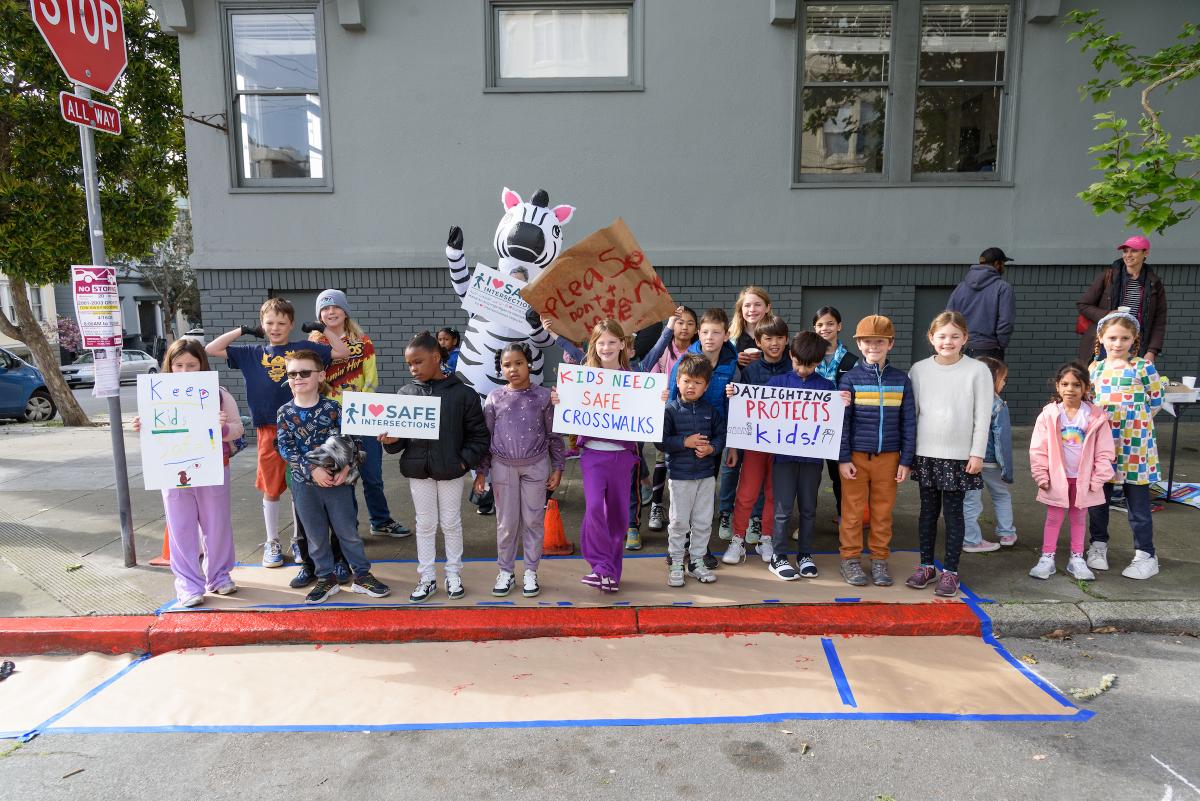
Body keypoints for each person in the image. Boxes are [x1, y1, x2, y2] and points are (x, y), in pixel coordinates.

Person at [205, 298, 348, 569]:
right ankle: (272, 541)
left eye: (282, 323)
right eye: (269, 323)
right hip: (268, 428)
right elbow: (212, 348)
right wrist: (245, 330)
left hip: (302, 426)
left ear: (291, 325)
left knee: (300, 486)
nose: (276, 328)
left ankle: (298, 538)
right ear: (262, 324)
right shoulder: (250, 352)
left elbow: (341, 351)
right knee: (271, 488)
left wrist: (321, 327)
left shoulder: (303, 348)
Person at [131, 339, 242, 608]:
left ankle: (218, 576)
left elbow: (238, 428)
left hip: (213, 468)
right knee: (180, 527)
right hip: (171, 470)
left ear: (201, 365)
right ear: (168, 366)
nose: (184, 370)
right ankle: (188, 585)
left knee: (216, 524)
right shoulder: (156, 395)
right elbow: (154, 431)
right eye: (178, 365)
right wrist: (140, 426)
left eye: (191, 365)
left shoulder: (219, 394)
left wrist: (224, 429)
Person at [381, 332, 490, 603]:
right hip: (419, 472)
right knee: (425, 524)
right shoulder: (405, 393)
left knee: (451, 523)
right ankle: (427, 577)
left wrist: (463, 462)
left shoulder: (464, 394)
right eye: (409, 364)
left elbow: (479, 436)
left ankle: (454, 575)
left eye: (418, 362)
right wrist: (392, 441)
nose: (413, 368)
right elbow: (398, 442)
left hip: (451, 471)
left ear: (436, 357)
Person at [275, 351, 391, 605]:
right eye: (292, 374)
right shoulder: (284, 412)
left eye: (305, 372)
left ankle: (362, 575)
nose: (298, 378)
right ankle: (325, 578)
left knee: (347, 531)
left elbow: (353, 442)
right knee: (315, 534)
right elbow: (285, 448)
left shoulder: (334, 408)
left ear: (321, 376)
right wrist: (311, 469)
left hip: (338, 485)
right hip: (305, 485)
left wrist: (345, 470)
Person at [551, 319, 654, 593]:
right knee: (595, 508)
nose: (606, 347)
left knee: (619, 518)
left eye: (611, 341)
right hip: (594, 455)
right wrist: (559, 402)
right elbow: (569, 413)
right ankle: (600, 566)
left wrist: (660, 398)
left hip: (623, 457)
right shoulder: (583, 377)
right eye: (601, 342)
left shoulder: (636, 377)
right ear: (593, 346)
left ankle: (611, 574)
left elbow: (648, 410)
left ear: (622, 344)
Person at [308, 290, 411, 548]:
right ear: (319, 315)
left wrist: (361, 402)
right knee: (345, 476)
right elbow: (315, 380)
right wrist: (334, 400)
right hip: (332, 417)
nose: (331, 312)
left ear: (345, 311)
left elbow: (371, 378)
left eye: (335, 308)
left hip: (364, 414)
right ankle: (348, 525)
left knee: (372, 473)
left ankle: (381, 520)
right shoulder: (315, 344)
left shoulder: (363, 342)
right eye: (325, 309)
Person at [906, 311, 994, 598]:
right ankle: (926, 565)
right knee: (928, 513)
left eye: (955, 336)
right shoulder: (919, 370)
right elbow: (912, 414)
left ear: (965, 339)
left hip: (959, 456)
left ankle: (951, 571)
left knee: (954, 514)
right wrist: (909, 454)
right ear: (931, 338)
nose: (948, 341)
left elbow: (983, 416)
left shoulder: (977, 371)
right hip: (926, 454)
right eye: (942, 336)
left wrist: (977, 453)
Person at [475, 343, 565, 599]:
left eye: (518, 363)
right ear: (500, 368)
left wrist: (558, 466)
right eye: (506, 365)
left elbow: (554, 435)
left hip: (536, 465)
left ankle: (530, 571)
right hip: (502, 466)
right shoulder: (494, 398)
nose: (513, 369)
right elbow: (486, 436)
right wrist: (482, 471)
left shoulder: (544, 397)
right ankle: (505, 571)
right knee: (506, 522)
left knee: (534, 520)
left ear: (530, 365)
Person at [1084, 310, 1165, 580]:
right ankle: (1098, 545)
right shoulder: (1095, 369)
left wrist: (1134, 423)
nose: (1118, 344)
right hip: (1104, 444)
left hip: (1136, 447)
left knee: (1137, 502)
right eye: (1112, 338)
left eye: (1124, 338)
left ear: (1134, 340)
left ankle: (1146, 554)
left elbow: (1155, 401)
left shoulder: (1142, 367)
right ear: (1101, 338)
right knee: (1100, 499)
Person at [837, 315, 915, 588]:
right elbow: (843, 423)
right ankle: (850, 558)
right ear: (859, 344)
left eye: (879, 342)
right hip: (856, 458)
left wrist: (906, 460)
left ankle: (880, 559)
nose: (874, 347)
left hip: (890, 458)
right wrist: (843, 458)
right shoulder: (850, 380)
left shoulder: (902, 380)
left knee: (882, 512)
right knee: (853, 511)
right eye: (868, 342)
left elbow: (909, 421)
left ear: (890, 344)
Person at [1029, 364, 1115, 581]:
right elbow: (1038, 448)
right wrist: (1041, 475)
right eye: (1065, 384)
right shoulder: (1049, 415)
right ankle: (1047, 558)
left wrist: (1097, 480)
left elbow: (1105, 451)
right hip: (1057, 479)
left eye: (1077, 384)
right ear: (1057, 386)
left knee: (1079, 519)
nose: (1070, 389)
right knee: (1053, 518)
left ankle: (1077, 558)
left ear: (1086, 387)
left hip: (1083, 480)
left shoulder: (1095, 417)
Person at [722, 314, 792, 565]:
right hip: (754, 444)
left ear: (787, 340)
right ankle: (738, 539)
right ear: (759, 342)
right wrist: (733, 445)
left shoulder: (793, 369)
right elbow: (739, 409)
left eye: (779, 338)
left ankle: (766, 538)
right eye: (768, 338)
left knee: (774, 494)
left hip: (783, 446)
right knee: (746, 493)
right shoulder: (749, 371)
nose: (774, 343)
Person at [765, 332, 836, 581]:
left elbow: (834, 421)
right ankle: (778, 556)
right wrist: (735, 394)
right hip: (783, 458)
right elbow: (756, 411)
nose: (804, 370)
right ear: (791, 355)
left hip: (812, 460)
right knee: (783, 509)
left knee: (809, 508)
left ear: (820, 361)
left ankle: (805, 554)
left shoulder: (827, 388)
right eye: (798, 363)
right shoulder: (777, 383)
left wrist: (843, 404)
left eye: (811, 365)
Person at [660, 353, 723, 587]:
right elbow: (660, 441)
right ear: (677, 381)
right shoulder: (670, 410)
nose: (691, 386)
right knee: (678, 522)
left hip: (706, 476)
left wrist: (712, 449)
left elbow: (720, 436)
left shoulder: (710, 411)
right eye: (686, 380)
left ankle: (696, 561)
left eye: (697, 383)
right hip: (680, 477)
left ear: (705, 387)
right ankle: (676, 561)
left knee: (703, 521)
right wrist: (683, 442)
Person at [719, 287, 773, 540]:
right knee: (731, 465)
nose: (752, 310)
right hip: (735, 410)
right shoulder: (731, 338)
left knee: (759, 466)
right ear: (740, 310)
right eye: (747, 306)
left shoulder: (775, 335)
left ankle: (755, 517)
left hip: (765, 413)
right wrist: (736, 364)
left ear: (767, 307)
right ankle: (726, 513)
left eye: (757, 304)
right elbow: (720, 369)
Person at [642, 306, 700, 533]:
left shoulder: (698, 351)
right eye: (679, 322)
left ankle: (684, 510)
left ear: (696, 329)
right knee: (661, 457)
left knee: (684, 461)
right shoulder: (663, 351)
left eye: (689, 323)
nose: (684, 327)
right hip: (665, 413)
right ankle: (657, 504)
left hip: (689, 414)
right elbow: (653, 377)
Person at [1076, 235, 1168, 365]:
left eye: (1134, 251)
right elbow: (1083, 305)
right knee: (1100, 382)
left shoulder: (1153, 283)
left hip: (1135, 344)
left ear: (1145, 253)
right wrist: (1107, 315)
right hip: (1107, 343)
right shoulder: (1109, 276)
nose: (1128, 255)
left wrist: (1152, 351)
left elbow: (1159, 320)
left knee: (1130, 383)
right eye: (1125, 251)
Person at [962, 357, 1017, 553]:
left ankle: (970, 539)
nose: (1004, 383)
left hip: (968, 461)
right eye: (1003, 379)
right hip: (992, 462)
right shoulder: (998, 404)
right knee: (1001, 495)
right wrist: (1007, 469)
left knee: (970, 500)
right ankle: (1006, 533)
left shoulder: (964, 401)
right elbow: (1002, 438)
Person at [813, 306, 859, 523]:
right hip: (810, 427)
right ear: (815, 328)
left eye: (830, 323)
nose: (825, 328)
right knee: (809, 477)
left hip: (839, 429)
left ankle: (844, 519)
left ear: (839, 326)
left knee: (839, 476)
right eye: (820, 324)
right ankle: (806, 522)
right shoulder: (807, 357)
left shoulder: (852, 361)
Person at [946, 246, 1016, 360]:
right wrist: (1001, 345)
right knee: (990, 379)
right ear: (997, 264)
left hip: (961, 348)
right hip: (989, 349)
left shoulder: (961, 287)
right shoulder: (1003, 288)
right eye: (1003, 264)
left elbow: (948, 317)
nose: (1004, 268)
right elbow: (1006, 322)